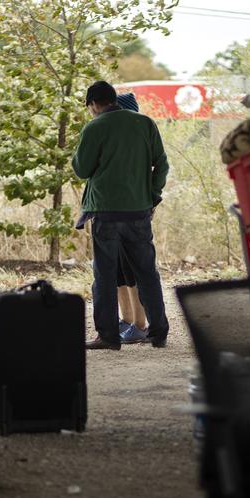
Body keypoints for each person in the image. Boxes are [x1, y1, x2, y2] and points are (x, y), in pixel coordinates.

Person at [72, 80, 169, 350]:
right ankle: (158, 332)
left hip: (106, 211)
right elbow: (161, 164)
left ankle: (108, 336)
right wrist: (153, 195)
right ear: (113, 98)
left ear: (93, 104)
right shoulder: (145, 123)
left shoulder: (94, 127)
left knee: (104, 275)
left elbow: (82, 169)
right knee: (147, 273)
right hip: (139, 210)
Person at [114, 92, 148, 344]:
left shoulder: (141, 138)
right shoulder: (119, 139)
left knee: (132, 269)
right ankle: (126, 320)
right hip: (114, 210)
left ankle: (140, 323)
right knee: (118, 270)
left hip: (134, 210)